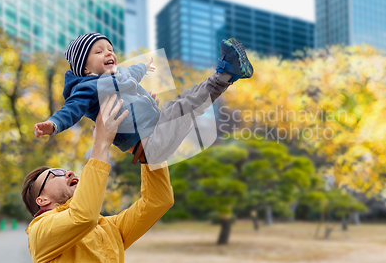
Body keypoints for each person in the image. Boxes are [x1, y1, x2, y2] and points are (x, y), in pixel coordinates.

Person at [22, 94, 174, 263]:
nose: (67, 172)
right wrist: (101, 142)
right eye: (54, 175)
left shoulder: (108, 228)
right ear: (41, 200)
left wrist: (147, 145)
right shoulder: (40, 231)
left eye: (64, 170)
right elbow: (84, 216)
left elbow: (158, 200)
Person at [33, 33, 254, 165]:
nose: (109, 53)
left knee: (183, 100)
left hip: (158, 123)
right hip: (149, 146)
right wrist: (53, 124)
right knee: (189, 107)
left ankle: (226, 73)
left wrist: (145, 67)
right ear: (85, 68)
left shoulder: (120, 74)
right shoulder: (89, 87)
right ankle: (225, 75)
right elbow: (70, 110)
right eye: (98, 52)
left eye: (110, 49)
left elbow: (133, 71)